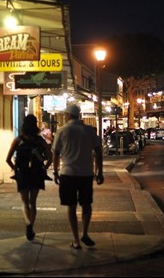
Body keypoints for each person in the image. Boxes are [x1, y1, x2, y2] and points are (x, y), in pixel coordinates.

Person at [52, 104, 104, 250]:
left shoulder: (62, 130)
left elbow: (55, 153)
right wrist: (99, 172)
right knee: (86, 205)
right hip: (86, 173)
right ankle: (85, 233)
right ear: (79, 115)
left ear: (67, 115)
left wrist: (55, 172)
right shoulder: (89, 131)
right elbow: (98, 152)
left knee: (71, 206)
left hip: (68, 173)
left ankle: (76, 240)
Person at [5, 114, 48, 240]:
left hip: (23, 173)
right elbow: (50, 156)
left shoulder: (18, 140)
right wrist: (44, 167)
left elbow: (8, 159)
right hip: (36, 173)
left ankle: (28, 223)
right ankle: (31, 226)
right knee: (33, 202)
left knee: (24, 202)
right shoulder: (40, 140)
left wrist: (15, 169)